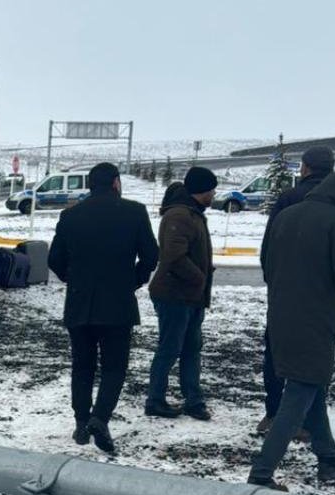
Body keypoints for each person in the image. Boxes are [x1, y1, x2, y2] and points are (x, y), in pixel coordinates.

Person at [249, 170, 335, 490]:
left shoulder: (286, 215)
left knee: (311, 388)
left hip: (280, 316)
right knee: (299, 394)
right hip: (316, 320)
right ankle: (261, 473)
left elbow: (267, 265)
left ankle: (328, 457)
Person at [48, 162, 158, 454]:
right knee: (114, 367)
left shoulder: (71, 216)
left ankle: (81, 421)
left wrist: (74, 279)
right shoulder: (134, 212)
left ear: (89, 184)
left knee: (82, 366)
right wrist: (133, 280)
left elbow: (54, 260)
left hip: (80, 302)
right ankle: (100, 417)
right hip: (118, 304)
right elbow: (151, 255)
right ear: (116, 183)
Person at [146, 168, 217, 421]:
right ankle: (155, 399)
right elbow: (174, 257)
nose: (214, 194)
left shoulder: (192, 213)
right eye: (211, 189)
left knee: (191, 348)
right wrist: (200, 277)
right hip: (174, 294)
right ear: (202, 190)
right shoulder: (180, 215)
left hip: (190, 295)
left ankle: (193, 399)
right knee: (170, 348)